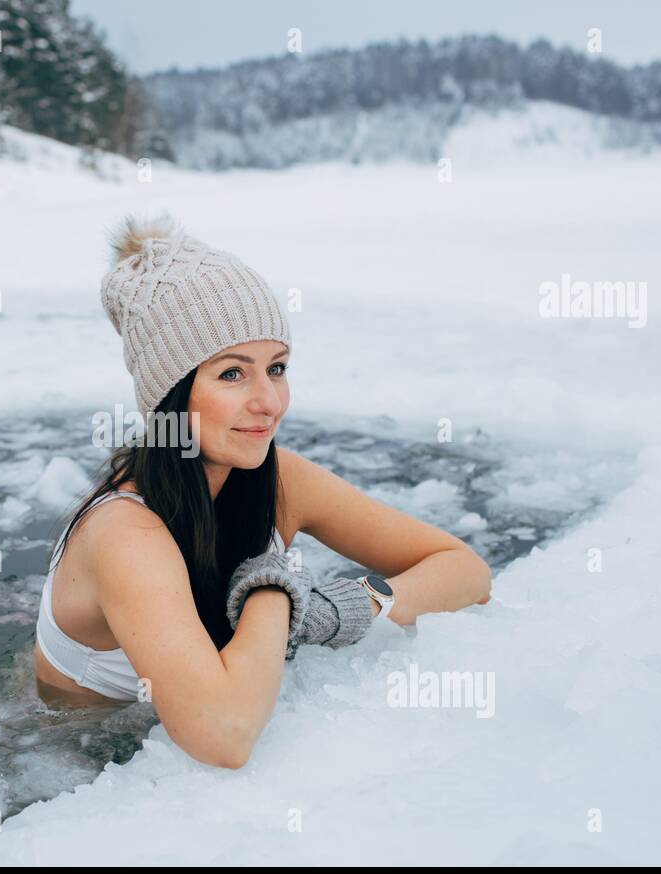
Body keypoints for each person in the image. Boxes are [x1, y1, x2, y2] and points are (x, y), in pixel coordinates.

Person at [32, 212, 491, 767]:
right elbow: (223, 736)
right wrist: (273, 591)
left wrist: (347, 606)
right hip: (78, 758)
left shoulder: (278, 479)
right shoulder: (126, 532)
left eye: (277, 368)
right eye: (232, 374)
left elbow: (464, 570)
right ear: (170, 395)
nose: (269, 402)